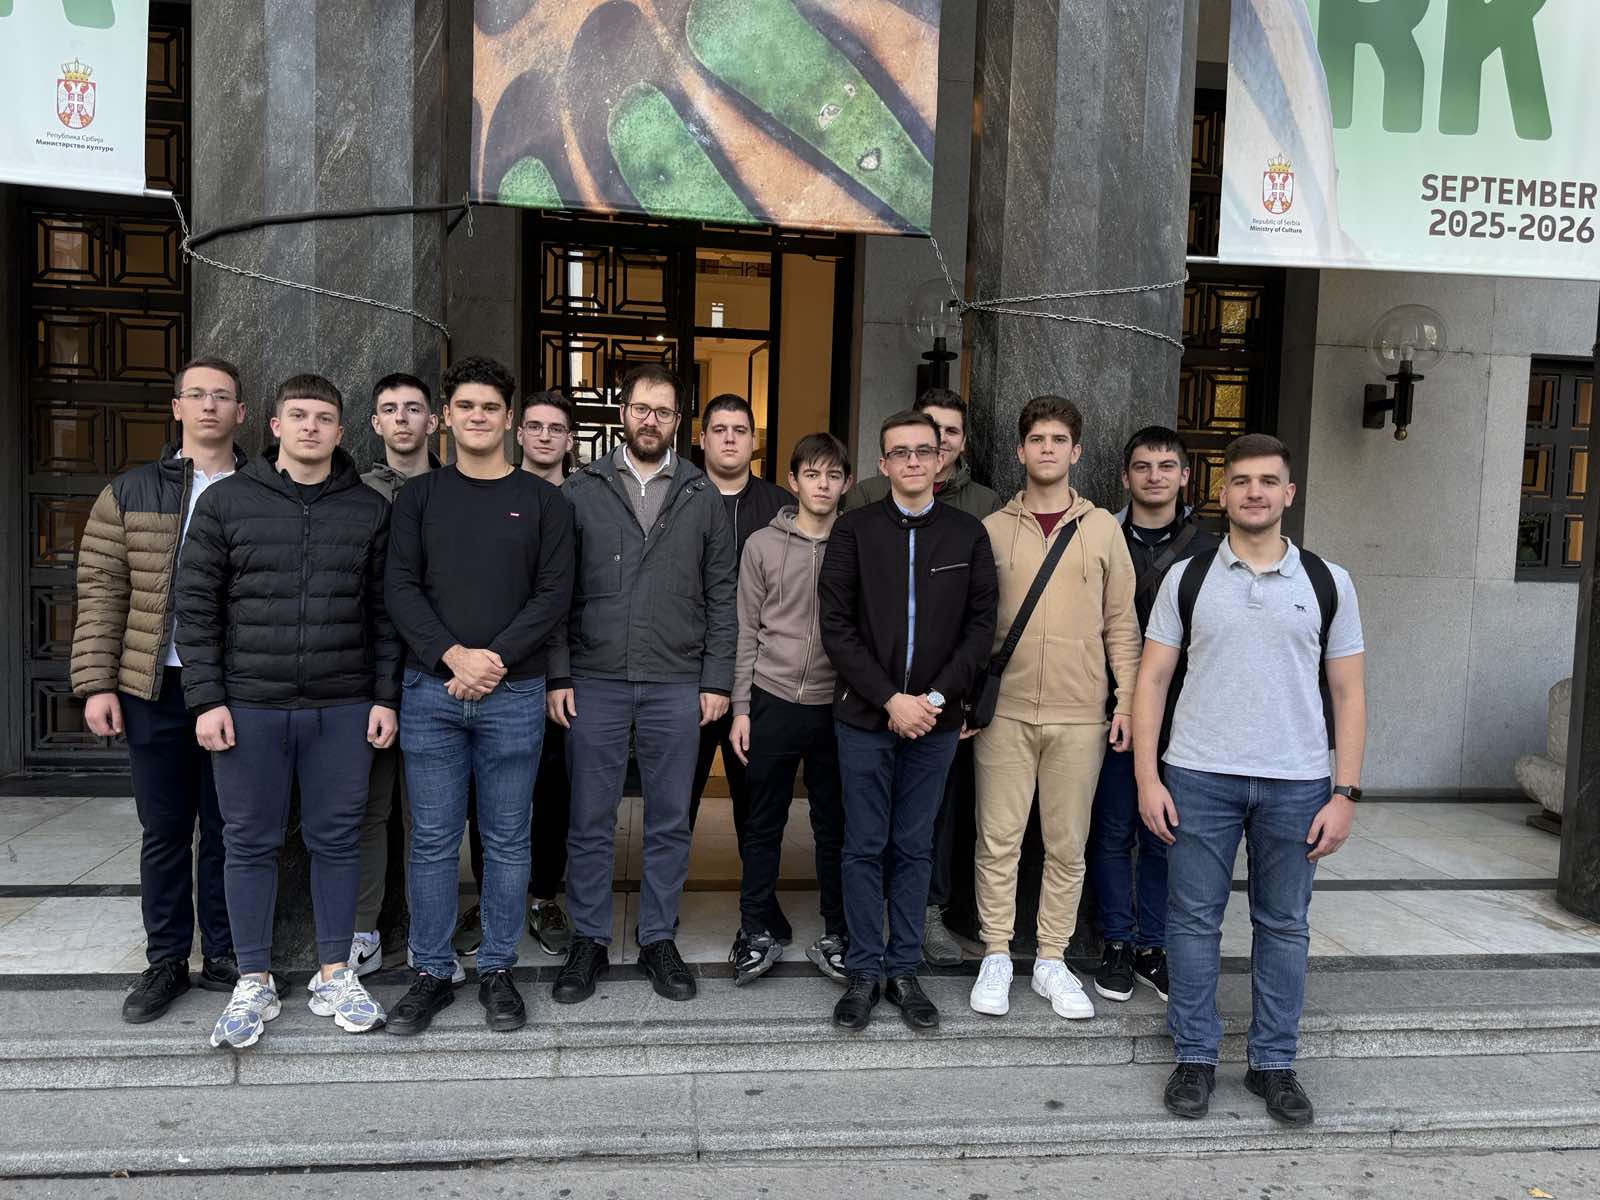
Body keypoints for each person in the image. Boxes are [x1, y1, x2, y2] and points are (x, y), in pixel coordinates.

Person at [1136, 433, 1366, 1127]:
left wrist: (1345, 793)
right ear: (1223, 492)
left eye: (1268, 481)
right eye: (1241, 481)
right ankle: (1195, 1057)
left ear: (1288, 493)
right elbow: (1152, 680)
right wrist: (1147, 777)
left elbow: (1349, 693)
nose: (1255, 492)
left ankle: (1273, 1064)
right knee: (1191, 923)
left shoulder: (1328, 581)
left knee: (1284, 926)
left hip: (1298, 782)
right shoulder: (1188, 578)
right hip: (1198, 775)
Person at [175, 373, 399, 1050]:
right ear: (273, 426)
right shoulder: (228, 503)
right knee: (248, 843)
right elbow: (196, 608)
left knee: (338, 840)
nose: (310, 427)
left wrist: (385, 696)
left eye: (323, 418)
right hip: (249, 706)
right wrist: (206, 699)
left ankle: (335, 974)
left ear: (340, 430)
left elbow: (385, 615)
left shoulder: (368, 509)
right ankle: (253, 980)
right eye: (297, 415)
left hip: (343, 705)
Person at [382, 357, 574, 1036]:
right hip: (430, 691)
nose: (477, 417)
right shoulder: (419, 498)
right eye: (465, 406)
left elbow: (553, 595)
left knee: (508, 839)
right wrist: (452, 655)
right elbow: (400, 586)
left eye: (490, 407)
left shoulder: (545, 502)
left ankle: (496, 968)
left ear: (509, 419)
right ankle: (432, 972)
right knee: (432, 840)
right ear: (446, 416)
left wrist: (492, 660)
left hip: (514, 693)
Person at [547, 364, 737, 1005]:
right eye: (640, 409)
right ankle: (589, 939)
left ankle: (657, 937)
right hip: (594, 677)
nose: (650, 420)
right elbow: (556, 591)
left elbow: (722, 594)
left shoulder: (702, 495)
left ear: (678, 421)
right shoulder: (581, 489)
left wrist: (716, 679)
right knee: (589, 819)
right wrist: (558, 673)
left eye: (663, 411)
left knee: (669, 820)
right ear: (622, 413)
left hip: (676, 680)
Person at [71, 356, 245, 1023]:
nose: (209, 406)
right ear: (177, 408)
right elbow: (101, 588)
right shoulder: (131, 490)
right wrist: (97, 683)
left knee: (230, 827)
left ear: (241, 412)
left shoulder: (263, 487)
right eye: (196, 395)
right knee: (166, 828)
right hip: (152, 683)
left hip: (234, 687)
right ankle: (167, 959)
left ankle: (225, 953)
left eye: (221, 396)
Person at [818, 410, 997, 1032]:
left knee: (914, 846)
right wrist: (890, 699)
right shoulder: (854, 530)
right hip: (864, 717)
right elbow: (836, 626)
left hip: (936, 723)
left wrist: (935, 700)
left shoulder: (968, 535)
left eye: (925, 450)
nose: (915, 461)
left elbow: (980, 629)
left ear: (942, 459)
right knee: (864, 845)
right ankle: (865, 970)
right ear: (883, 464)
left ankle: (903, 970)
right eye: (901, 452)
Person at [967, 395, 1142, 1023]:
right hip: (1006, 713)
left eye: (1058, 440)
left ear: (1077, 451)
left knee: (1068, 844)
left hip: (1079, 714)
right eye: (1037, 439)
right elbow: (971, 625)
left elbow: (1121, 624)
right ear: (1020, 451)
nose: (1047, 449)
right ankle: (996, 952)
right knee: (998, 839)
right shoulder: (992, 529)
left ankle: (1050, 958)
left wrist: (1126, 700)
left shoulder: (1102, 531)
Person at [1086, 427, 1218, 1004]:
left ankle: (1153, 946)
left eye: (1167, 466)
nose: (1155, 476)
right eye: (1143, 466)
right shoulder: (1100, 536)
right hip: (1111, 706)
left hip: (1185, 711)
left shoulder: (1211, 549)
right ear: (1125, 476)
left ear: (1185, 476)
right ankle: (1117, 940)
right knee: (1112, 828)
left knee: (1164, 831)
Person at [455, 388, 582, 961]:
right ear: (518, 431)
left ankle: (543, 896)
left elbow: (566, 598)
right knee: (486, 797)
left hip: (556, 672)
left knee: (553, 791)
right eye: (536, 426)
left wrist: (560, 675)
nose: (545, 436)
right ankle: (489, 899)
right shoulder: (485, 492)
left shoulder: (583, 499)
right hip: (486, 675)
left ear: (570, 440)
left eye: (557, 428)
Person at [727, 432, 853, 985]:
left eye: (833, 476)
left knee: (834, 825)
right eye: (812, 474)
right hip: (771, 697)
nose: (822, 485)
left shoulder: (856, 542)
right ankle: (754, 928)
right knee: (763, 822)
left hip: (837, 705)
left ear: (846, 483)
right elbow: (745, 629)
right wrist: (741, 707)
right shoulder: (761, 544)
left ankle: (839, 931)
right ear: (793, 480)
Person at [687, 392, 794, 937]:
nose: (730, 438)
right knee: (677, 798)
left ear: (754, 441)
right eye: (719, 429)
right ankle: (663, 901)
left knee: (757, 801)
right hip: (688, 674)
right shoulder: (680, 496)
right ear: (702, 437)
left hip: (759, 678)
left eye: (740, 430)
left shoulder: (781, 505)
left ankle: (761, 902)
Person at [350, 372, 440, 978]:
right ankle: (364, 929)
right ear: (375, 423)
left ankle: (430, 929)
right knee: (370, 809)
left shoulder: (457, 488)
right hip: (369, 672)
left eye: (413, 408)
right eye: (390, 409)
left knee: (433, 815)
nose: (402, 419)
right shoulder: (353, 493)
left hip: (438, 670)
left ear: (433, 421)